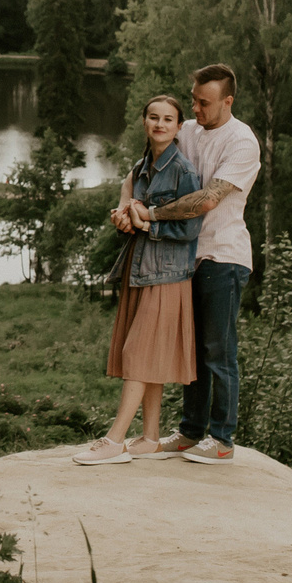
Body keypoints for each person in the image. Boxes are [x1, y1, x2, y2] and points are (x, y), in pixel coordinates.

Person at [72, 93, 202, 465]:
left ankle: (114, 442)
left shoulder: (184, 171)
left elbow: (191, 229)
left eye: (168, 119)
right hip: (140, 271)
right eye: (154, 117)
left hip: (167, 276)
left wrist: (148, 222)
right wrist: (125, 221)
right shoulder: (141, 167)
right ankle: (149, 438)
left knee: (139, 354)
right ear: (144, 122)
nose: (160, 124)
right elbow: (132, 217)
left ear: (179, 127)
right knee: (151, 357)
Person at [163, 62, 259, 466]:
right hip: (190, 256)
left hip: (224, 256)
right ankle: (190, 431)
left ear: (228, 101)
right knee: (192, 350)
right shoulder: (189, 131)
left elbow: (206, 200)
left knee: (218, 350)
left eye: (204, 103)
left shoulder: (242, 142)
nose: (196, 110)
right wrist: (127, 199)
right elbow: (152, 161)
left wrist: (152, 215)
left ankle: (222, 440)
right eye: (193, 101)